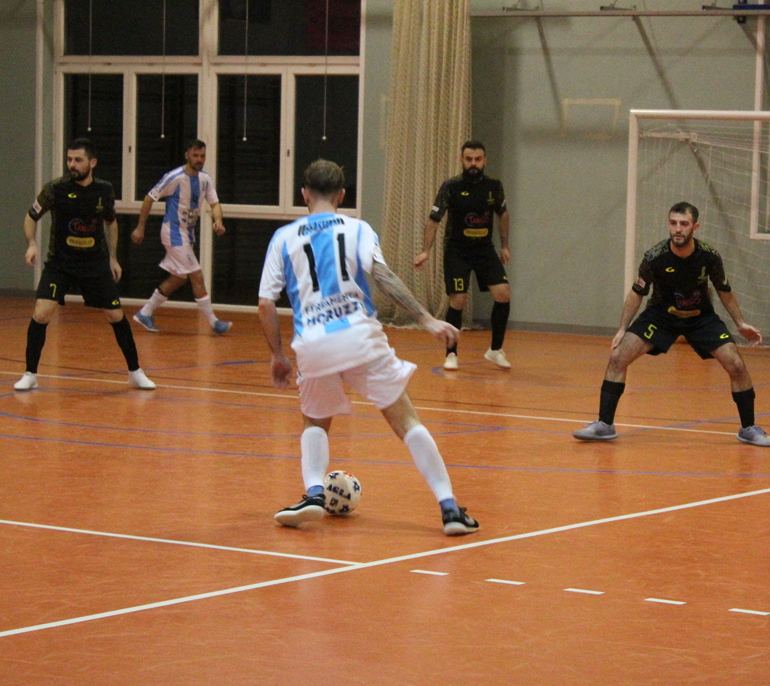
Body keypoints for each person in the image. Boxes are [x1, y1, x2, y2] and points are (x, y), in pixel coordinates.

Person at [258, 159, 479, 536]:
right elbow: (383, 277)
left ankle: (314, 494)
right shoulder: (358, 229)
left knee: (315, 420)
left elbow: (266, 303)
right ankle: (449, 508)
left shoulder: (284, 237)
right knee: (407, 422)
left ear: (304, 194)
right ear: (342, 195)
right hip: (361, 338)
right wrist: (427, 319)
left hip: (313, 344)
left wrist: (278, 355)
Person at [573, 202, 770, 447]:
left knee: (736, 364)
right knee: (617, 357)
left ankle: (749, 428)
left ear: (695, 227)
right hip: (660, 316)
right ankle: (605, 425)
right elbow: (637, 292)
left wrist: (740, 323)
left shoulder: (709, 256)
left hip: (701, 318)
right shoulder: (654, 257)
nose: (678, 229)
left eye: (684, 224)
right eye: (673, 223)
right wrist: (623, 328)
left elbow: (724, 290)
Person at [14, 138, 154, 391]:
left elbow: (110, 222)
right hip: (60, 264)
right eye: (69, 159)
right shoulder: (55, 189)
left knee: (115, 315)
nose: (72, 164)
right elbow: (31, 216)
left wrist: (112, 258)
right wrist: (31, 243)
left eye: (78, 160)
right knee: (41, 313)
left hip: (94, 264)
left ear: (92, 162)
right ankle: (30, 374)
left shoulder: (104, 190)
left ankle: (135, 372)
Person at [414, 140, 512, 371]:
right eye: (469, 159)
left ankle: (495, 350)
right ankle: (451, 353)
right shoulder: (451, 186)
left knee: (503, 294)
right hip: (457, 250)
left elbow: (503, 214)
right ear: (462, 160)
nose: (473, 164)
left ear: (484, 160)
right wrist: (426, 251)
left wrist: (505, 246)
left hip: (484, 249)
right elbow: (434, 220)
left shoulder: (494, 186)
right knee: (458, 299)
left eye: (477, 159)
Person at [130, 139, 231, 335]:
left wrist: (218, 221)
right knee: (196, 275)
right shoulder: (174, 177)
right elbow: (149, 198)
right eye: (195, 155)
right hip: (173, 233)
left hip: (187, 234)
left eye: (202, 156)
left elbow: (215, 203)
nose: (199, 159)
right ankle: (214, 322)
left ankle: (145, 312)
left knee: (178, 278)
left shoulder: (205, 179)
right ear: (187, 155)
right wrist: (140, 228)